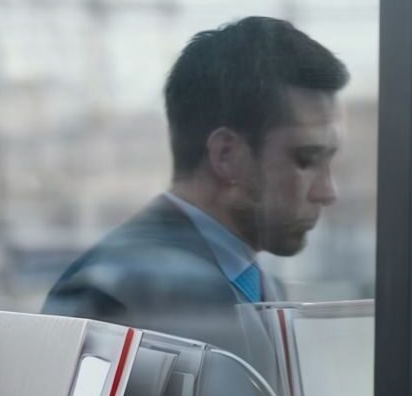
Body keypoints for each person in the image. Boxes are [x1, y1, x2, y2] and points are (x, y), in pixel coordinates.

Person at [43, 16, 348, 366]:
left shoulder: (252, 281)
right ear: (226, 155)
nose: (327, 191)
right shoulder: (111, 296)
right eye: (306, 159)